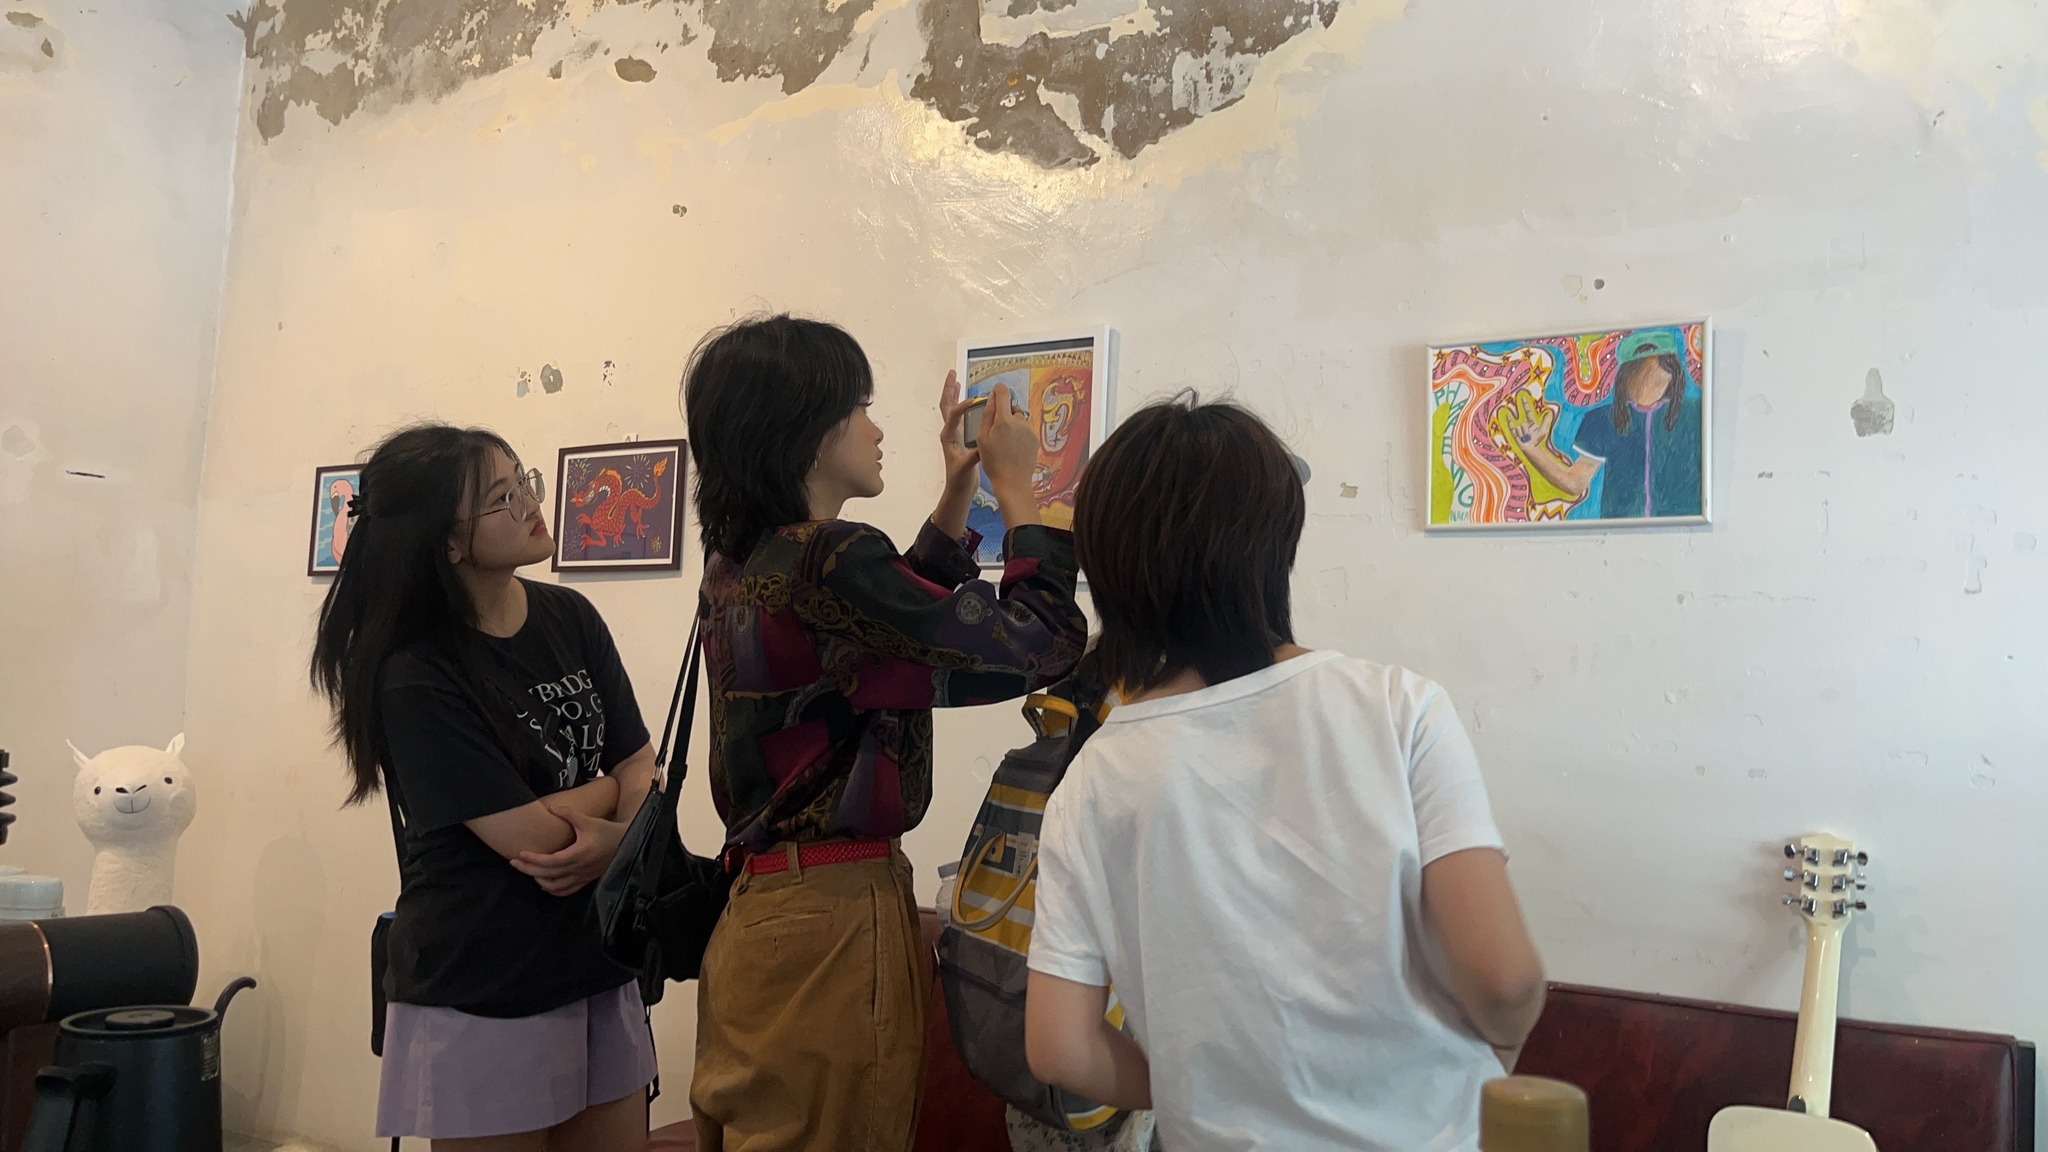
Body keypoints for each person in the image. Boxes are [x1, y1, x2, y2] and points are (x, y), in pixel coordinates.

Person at [1023, 395, 1547, 1152]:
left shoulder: (1091, 780)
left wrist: (1206, 1090)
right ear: (1276, 542)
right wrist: (1495, 1055)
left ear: (1108, 568)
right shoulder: (1398, 708)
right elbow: (1504, 980)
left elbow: (1059, 1048)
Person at [682, 315, 1087, 1152]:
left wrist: (957, 491)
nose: (875, 428)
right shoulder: (830, 558)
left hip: (761, 919)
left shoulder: (746, 563)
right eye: (859, 407)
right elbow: (1040, 645)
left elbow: (888, 633)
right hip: (831, 925)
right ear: (807, 428)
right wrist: (1019, 494)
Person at [310, 424, 658, 1152]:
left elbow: (642, 767)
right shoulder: (416, 674)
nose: (532, 503)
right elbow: (535, 842)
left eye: (523, 481)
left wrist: (618, 829)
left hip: (598, 961)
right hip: (483, 981)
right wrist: (613, 803)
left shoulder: (571, 617)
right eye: (503, 498)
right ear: (450, 543)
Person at [1506, 328, 1704, 518]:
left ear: (1672, 374)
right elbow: (1575, 482)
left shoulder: (1694, 415)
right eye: (1635, 372)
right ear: (1623, 377)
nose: (1642, 384)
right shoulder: (1604, 420)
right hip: (1618, 532)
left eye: (1652, 374)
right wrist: (1534, 451)